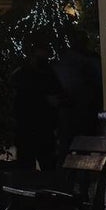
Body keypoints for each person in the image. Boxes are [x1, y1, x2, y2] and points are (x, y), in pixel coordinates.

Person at [11, 41, 66, 171]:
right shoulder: (45, 74)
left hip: (33, 129)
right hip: (39, 128)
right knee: (45, 165)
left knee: (31, 166)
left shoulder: (22, 74)